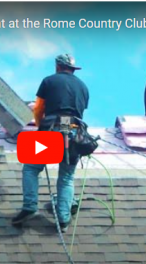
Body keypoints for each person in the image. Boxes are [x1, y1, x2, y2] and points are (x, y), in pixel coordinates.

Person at [12, 54, 89, 233]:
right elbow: (80, 111)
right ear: (73, 69)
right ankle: (63, 219)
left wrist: (41, 126)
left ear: (57, 66)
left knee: (31, 167)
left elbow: (39, 108)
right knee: (66, 177)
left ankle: (30, 206)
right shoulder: (83, 87)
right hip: (75, 133)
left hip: (52, 129)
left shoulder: (49, 81)